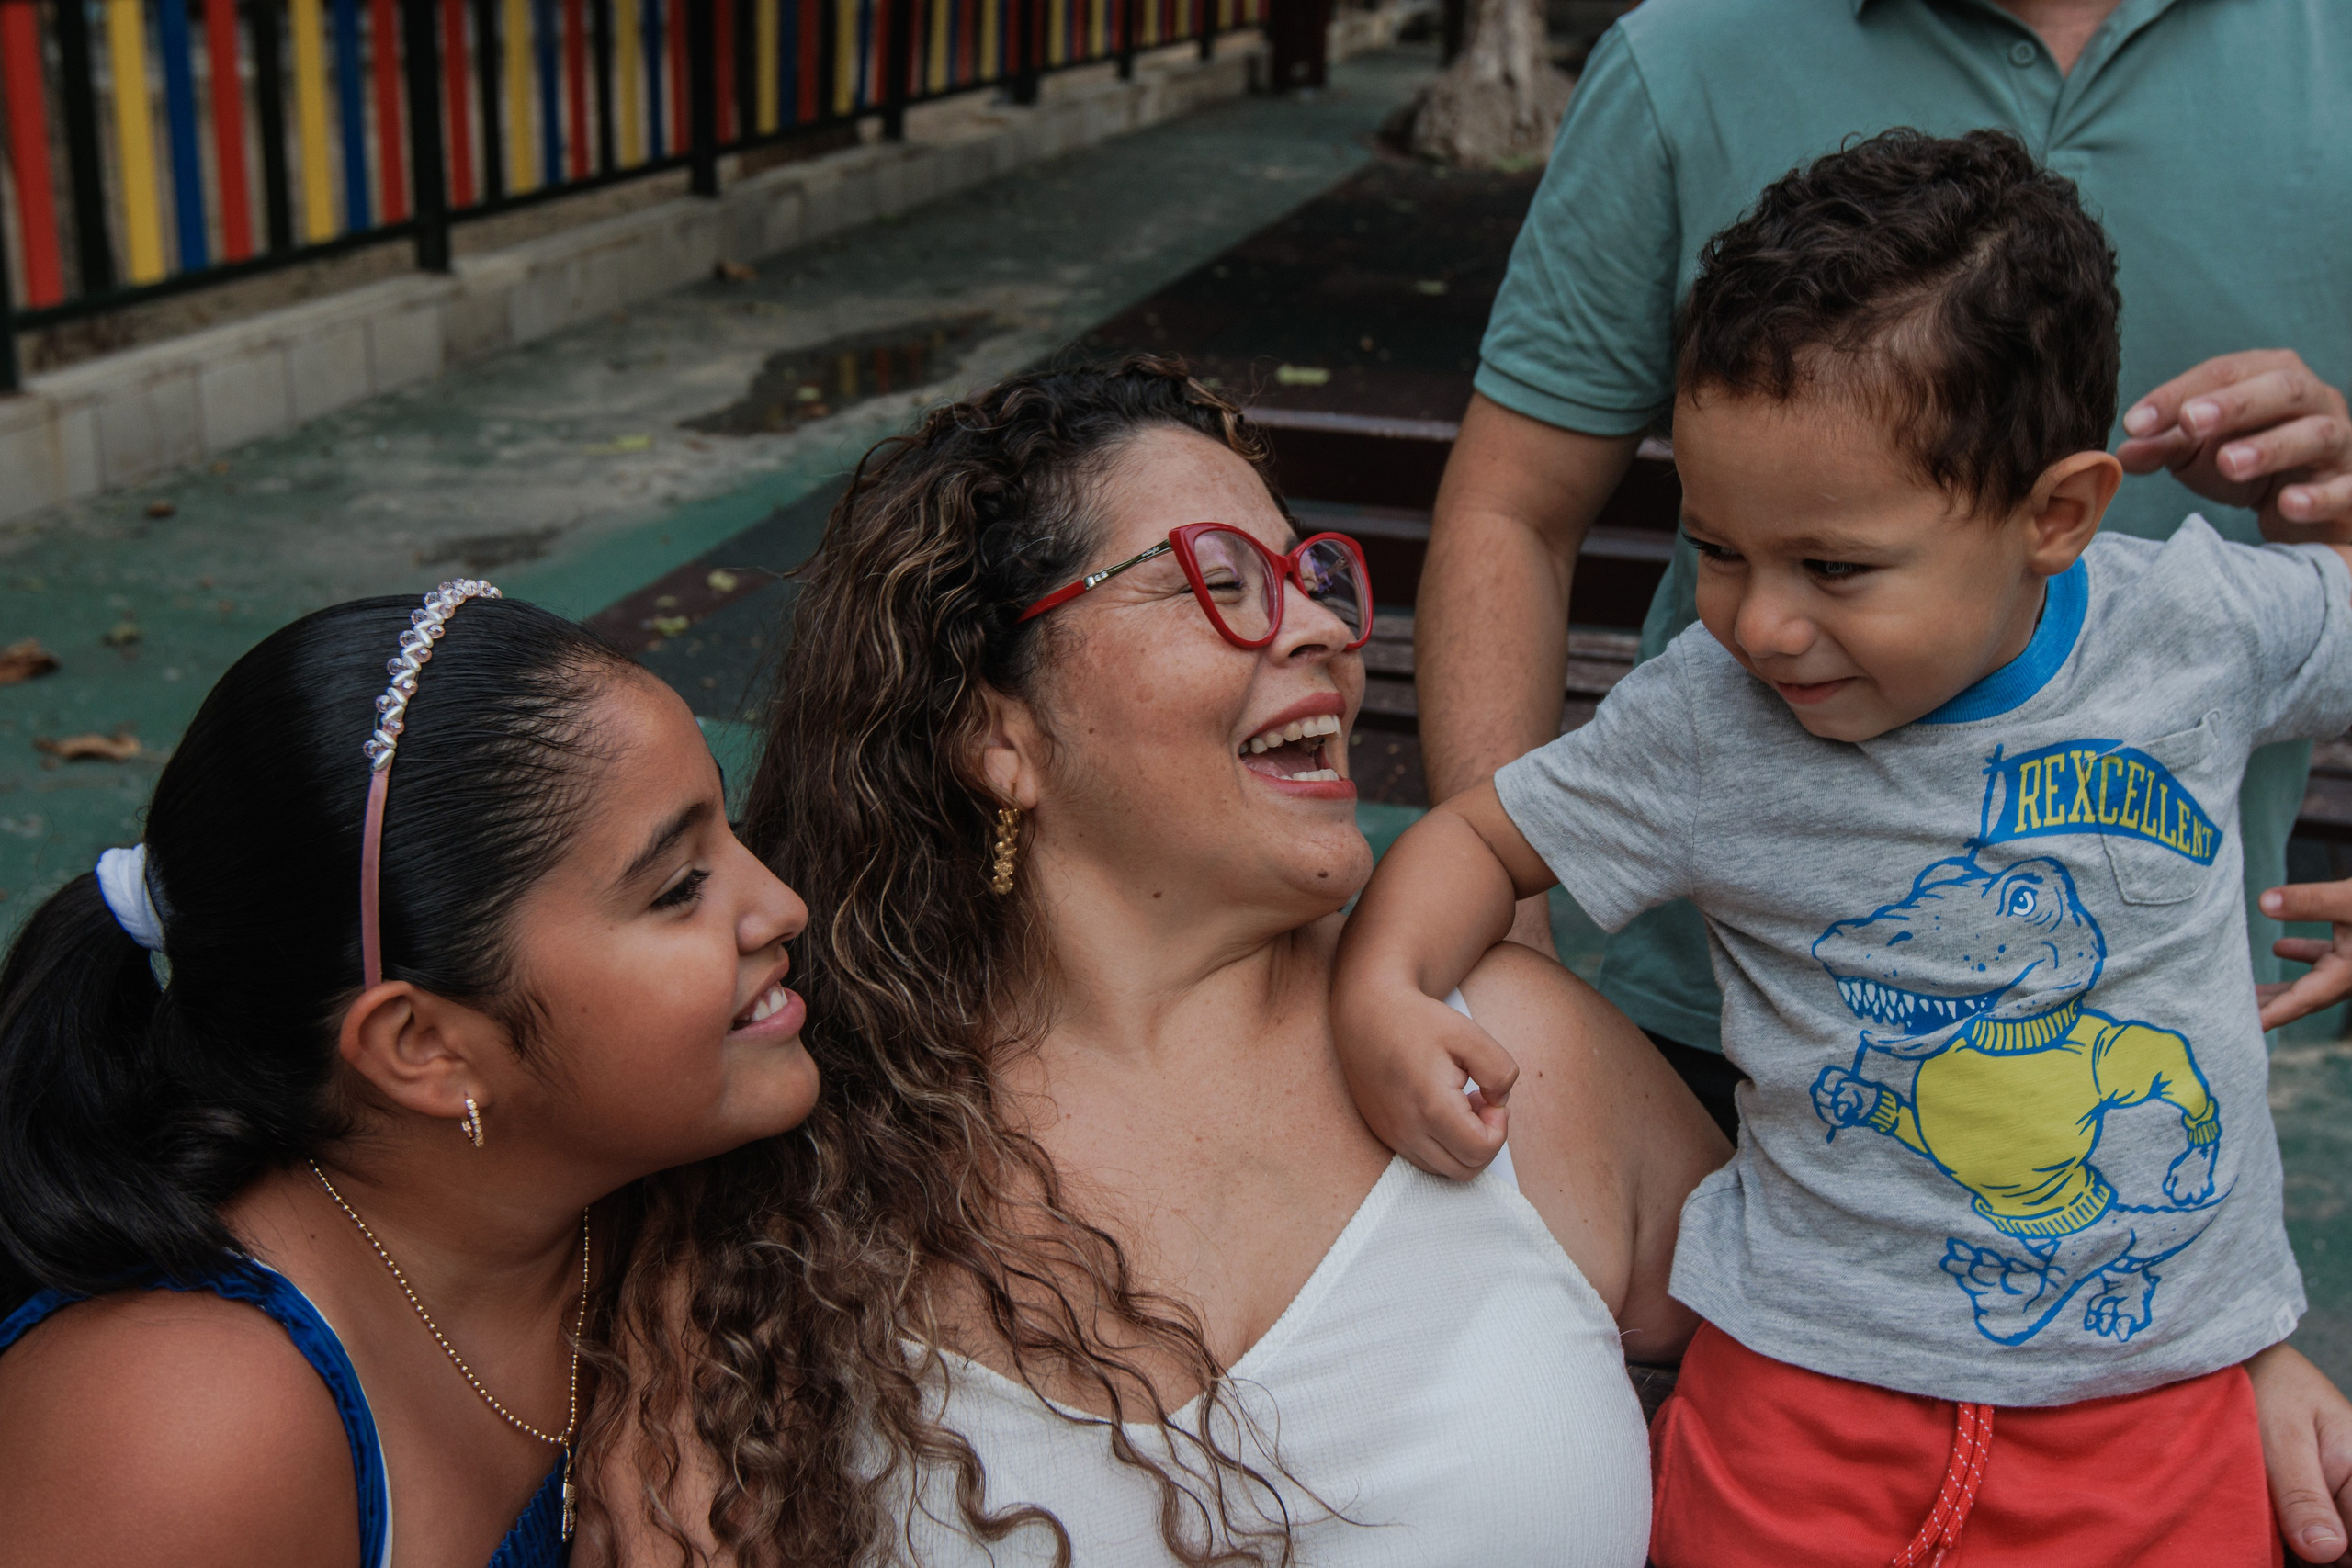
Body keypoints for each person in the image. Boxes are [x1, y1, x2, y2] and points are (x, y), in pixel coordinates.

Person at [1332, 133, 2347, 1566]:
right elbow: (1483, 838)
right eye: (1721, 547)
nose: (1759, 622)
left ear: (2056, 514)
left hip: (2153, 1396)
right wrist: (1386, 982)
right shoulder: (1709, 711)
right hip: (1799, 1397)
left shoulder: (2197, 624)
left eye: (1836, 565)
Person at [582, 357, 1730, 1567]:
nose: (1329, 628)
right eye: (1220, 580)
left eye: (1310, 578)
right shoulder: (794, 1182)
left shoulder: (1514, 1051)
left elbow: (1863, 1385)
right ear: (999, 734)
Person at [1419, 0, 2352, 1145]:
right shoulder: (1686, 52)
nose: (1760, 624)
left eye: (1830, 564)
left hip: (2150, 1013)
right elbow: (1512, 509)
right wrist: (1509, 955)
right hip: (1700, 1028)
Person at [0, 587, 820, 1567]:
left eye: (727, 834)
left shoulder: (656, 1203)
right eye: (679, 887)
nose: (781, 905)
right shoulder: (183, 1430)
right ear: (423, 1046)